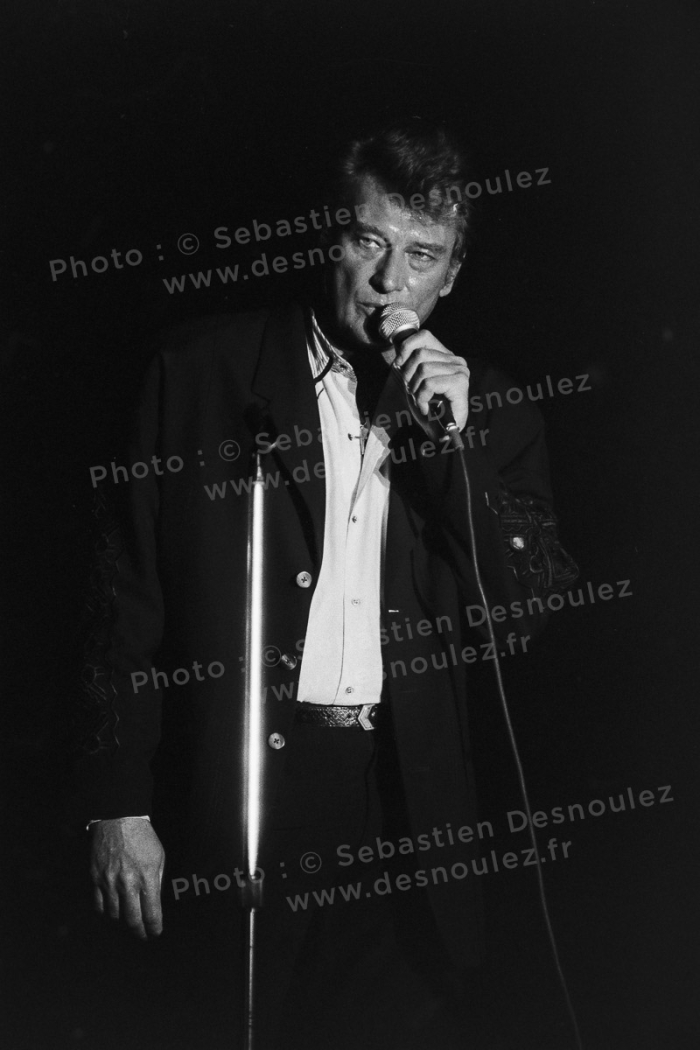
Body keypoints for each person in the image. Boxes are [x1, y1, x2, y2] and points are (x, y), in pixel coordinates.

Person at [75, 119, 578, 1049]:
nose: (392, 282)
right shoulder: (201, 373)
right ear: (330, 240)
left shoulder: (486, 413)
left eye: (422, 255)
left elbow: (528, 615)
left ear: (451, 275)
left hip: (407, 798)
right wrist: (117, 799)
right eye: (370, 242)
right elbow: (121, 597)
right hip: (252, 783)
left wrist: (453, 451)